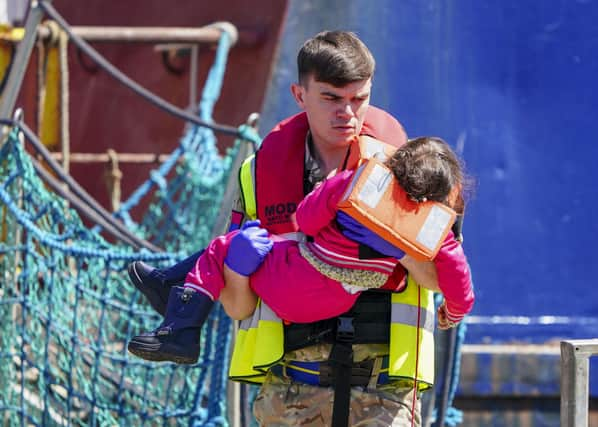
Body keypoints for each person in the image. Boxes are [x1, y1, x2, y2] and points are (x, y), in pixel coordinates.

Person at [126, 30, 469, 426]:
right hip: (288, 395)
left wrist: (394, 238)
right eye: (331, 98)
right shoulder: (257, 174)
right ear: (299, 94)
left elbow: (442, 278)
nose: (348, 113)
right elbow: (240, 307)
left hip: (385, 396)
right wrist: (237, 269)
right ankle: (176, 300)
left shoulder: (411, 170)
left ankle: (170, 287)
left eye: (359, 98)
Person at [128, 136, 474, 364]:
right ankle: (168, 284)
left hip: (295, 282)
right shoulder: (432, 227)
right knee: (229, 250)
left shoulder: (355, 182)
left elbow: (306, 220)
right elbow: (459, 279)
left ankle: (182, 329)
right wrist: (453, 313)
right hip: (338, 300)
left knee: (225, 247)